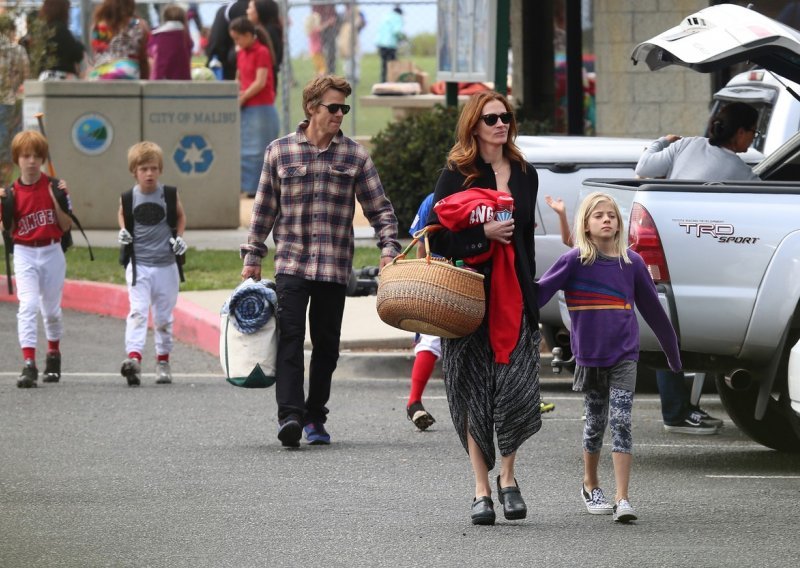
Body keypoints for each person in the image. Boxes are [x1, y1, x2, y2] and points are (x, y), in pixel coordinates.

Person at [240, 75, 401, 448]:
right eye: (333, 107)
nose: (339, 114)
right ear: (312, 107)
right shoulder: (279, 152)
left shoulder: (355, 156)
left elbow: (381, 210)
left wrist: (388, 248)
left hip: (333, 266)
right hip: (292, 264)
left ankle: (316, 416)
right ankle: (290, 417)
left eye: (344, 108)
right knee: (291, 339)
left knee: (327, 346)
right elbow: (263, 210)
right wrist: (253, 256)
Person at [426, 91, 541, 526]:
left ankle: (508, 480)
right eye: (491, 118)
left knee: (513, 393)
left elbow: (526, 241)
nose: (500, 124)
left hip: (515, 300)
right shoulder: (456, 174)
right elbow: (436, 238)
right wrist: (483, 235)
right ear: (474, 126)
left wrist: (536, 301)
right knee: (473, 393)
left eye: (506, 117)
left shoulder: (526, 174)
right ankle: (480, 489)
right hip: (469, 298)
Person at [537, 191, 682, 523]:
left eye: (612, 216)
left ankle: (623, 498)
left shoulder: (632, 263)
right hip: (589, 357)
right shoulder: (574, 261)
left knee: (621, 422)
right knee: (594, 424)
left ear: (619, 225)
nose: (606, 220)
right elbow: (538, 293)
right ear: (586, 226)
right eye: (599, 215)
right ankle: (590, 483)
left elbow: (655, 313)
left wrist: (673, 357)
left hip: (624, 355)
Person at [635, 101, 758, 434]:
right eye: (753, 132)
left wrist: (664, 140)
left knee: (668, 327)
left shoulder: (686, 145)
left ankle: (679, 408)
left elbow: (644, 166)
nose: (752, 139)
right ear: (741, 132)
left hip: (667, 240)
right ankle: (677, 412)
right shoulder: (740, 172)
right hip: (704, 252)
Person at [0, 130, 72, 388]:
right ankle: (29, 363)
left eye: (36, 156)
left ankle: (53, 355)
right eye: (25, 156)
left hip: (52, 250)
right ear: (17, 159)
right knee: (28, 305)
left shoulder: (55, 187)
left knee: (51, 311)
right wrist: (3, 207)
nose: (31, 161)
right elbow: (7, 230)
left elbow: (64, 226)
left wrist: (58, 200)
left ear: (43, 159)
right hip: (25, 252)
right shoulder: (10, 194)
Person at [117, 141, 187, 387]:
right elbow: (123, 217)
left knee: (163, 317)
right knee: (137, 312)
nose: (149, 173)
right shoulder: (128, 198)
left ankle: (163, 361)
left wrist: (178, 237)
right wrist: (124, 232)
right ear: (134, 171)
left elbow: (180, 216)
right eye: (144, 168)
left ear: (160, 170)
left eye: (154, 168)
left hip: (166, 265)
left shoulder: (168, 194)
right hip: (139, 265)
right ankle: (134, 359)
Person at [229, 16, 278, 198]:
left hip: (261, 106)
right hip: (246, 105)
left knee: (259, 150)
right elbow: (239, 76)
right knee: (245, 149)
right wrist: (236, 91)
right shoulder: (241, 52)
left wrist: (243, 97)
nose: (237, 43)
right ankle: (248, 186)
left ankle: (261, 188)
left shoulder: (262, 52)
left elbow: (260, 82)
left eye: (238, 38)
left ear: (249, 35)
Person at [405, 192, 440, 431]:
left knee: (431, 339)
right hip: (447, 276)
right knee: (431, 338)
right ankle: (413, 401)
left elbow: (419, 245)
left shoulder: (433, 198)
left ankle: (414, 402)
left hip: (447, 274)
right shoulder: (433, 198)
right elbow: (420, 244)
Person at [0, 14, 30, 186]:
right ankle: (4, 186)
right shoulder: (18, 50)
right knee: (7, 143)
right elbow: (26, 77)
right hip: (11, 101)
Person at [89, 0, 150, 80]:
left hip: (99, 74)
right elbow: (143, 60)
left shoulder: (96, 25)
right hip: (127, 71)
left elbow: (96, 55)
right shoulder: (139, 24)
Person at [35, 0, 85, 80]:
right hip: (61, 80)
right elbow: (77, 53)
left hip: (43, 78)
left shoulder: (42, 30)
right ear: (63, 10)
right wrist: (80, 46)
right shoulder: (61, 29)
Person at [147, 3, 192, 80]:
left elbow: (150, 56)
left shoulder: (156, 36)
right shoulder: (185, 38)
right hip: (182, 81)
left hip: (159, 80)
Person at [205, 0, 248, 80]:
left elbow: (216, 41)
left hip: (224, 64)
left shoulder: (228, 9)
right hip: (230, 63)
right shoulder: (235, 8)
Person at [246, 0, 283, 90]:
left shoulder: (267, 32)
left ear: (260, 11)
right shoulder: (271, 30)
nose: (247, 11)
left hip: (263, 83)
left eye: (250, 8)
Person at [337, 5, 365, 85]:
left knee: (356, 61)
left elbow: (361, 23)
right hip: (346, 42)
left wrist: (357, 17)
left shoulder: (358, 14)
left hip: (355, 41)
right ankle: (349, 77)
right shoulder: (343, 15)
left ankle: (355, 78)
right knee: (347, 62)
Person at [375, 5, 404, 83]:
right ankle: (393, 81)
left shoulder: (386, 16)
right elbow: (397, 31)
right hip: (390, 44)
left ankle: (383, 81)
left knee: (384, 64)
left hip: (381, 43)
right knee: (393, 63)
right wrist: (402, 38)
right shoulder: (398, 18)